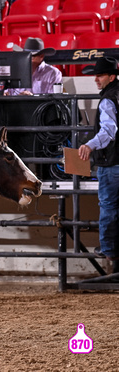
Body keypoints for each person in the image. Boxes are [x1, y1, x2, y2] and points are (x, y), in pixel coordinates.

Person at [78, 57, 119, 266]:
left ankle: (110, 251)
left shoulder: (108, 100)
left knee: (109, 206)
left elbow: (109, 131)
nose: (96, 79)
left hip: (112, 161)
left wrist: (90, 145)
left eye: (100, 75)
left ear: (111, 77)